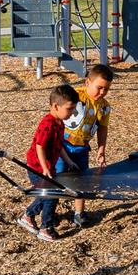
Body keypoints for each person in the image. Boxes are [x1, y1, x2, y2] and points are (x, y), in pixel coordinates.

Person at [20, 85, 80, 241]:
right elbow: (39, 146)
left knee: (47, 194)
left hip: (47, 167)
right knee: (51, 195)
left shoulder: (60, 123)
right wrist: (45, 167)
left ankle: (28, 216)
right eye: (69, 108)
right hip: (36, 167)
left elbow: (59, 146)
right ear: (55, 106)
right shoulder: (47, 124)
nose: (72, 112)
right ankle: (46, 227)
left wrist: (69, 161)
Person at [58, 63, 113, 229]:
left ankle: (79, 213)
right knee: (56, 178)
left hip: (82, 148)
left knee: (82, 180)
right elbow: (58, 114)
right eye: (99, 88)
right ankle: (46, 210)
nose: (102, 92)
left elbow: (102, 128)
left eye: (106, 89)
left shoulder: (104, 106)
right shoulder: (76, 96)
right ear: (87, 82)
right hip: (63, 145)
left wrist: (101, 149)